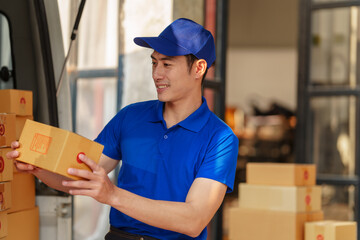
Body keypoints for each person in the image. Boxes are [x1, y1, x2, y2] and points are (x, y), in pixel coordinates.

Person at [7, 18, 239, 240]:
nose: (156, 74)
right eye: (154, 62)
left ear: (199, 68)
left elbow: (193, 220)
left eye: (167, 64)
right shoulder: (131, 117)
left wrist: (112, 195)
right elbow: (81, 175)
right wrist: (38, 167)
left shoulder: (219, 139)